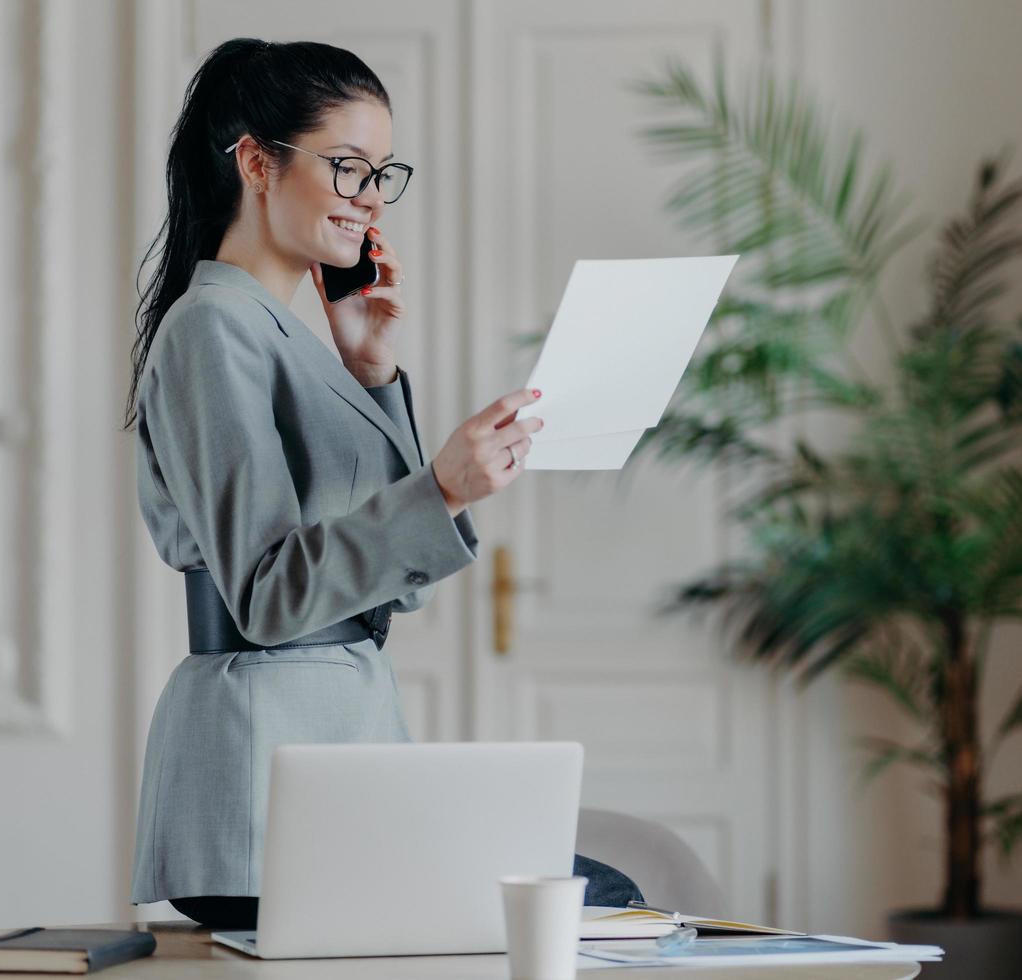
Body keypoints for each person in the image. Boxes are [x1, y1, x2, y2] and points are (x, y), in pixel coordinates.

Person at [120, 37, 644, 930]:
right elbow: (266, 595)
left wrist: (371, 371)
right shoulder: (211, 328)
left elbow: (389, 590)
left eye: (382, 173)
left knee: (602, 897)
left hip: (340, 753)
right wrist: (439, 490)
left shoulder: (287, 334)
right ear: (256, 161)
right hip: (260, 781)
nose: (370, 198)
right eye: (348, 168)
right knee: (590, 902)